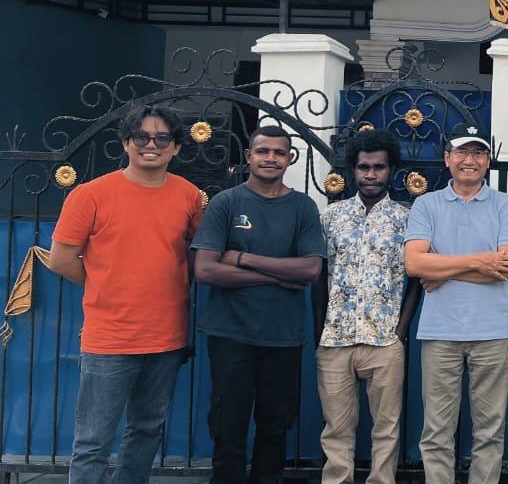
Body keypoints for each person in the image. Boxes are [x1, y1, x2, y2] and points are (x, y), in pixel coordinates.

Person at [48, 105, 204, 484]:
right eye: (142, 137)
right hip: (110, 339)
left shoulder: (189, 196)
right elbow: (61, 259)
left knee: (147, 430)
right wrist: (108, 282)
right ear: (125, 143)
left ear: (176, 147)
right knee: (93, 441)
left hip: (166, 338)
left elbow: (197, 253)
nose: (151, 145)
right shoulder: (90, 195)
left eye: (162, 138)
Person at [191, 125, 326, 484]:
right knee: (228, 425)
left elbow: (310, 270)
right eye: (263, 151)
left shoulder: (303, 207)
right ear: (249, 156)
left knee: (275, 426)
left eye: (279, 152)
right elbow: (205, 270)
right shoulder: (226, 202)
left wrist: (243, 259)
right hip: (230, 334)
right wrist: (279, 277)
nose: (271, 158)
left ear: (290, 158)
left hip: (282, 336)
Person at [404, 124, 508, 484]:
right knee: (436, 431)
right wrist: (479, 261)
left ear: (488, 160)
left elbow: (507, 268)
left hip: (492, 331)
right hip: (440, 331)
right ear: (447, 158)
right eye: (462, 152)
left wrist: (442, 269)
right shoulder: (426, 204)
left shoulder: (505, 205)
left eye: (478, 152)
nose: (469, 160)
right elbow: (415, 264)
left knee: (489, 430)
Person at [312, 128, 422, 484]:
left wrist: (400, 332)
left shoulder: (407, 219)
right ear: (352, 170)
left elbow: (417, 281)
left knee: (386, 428)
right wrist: (320, 331)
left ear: (391, 170)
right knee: (336, 429)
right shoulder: (331, 217)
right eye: (364, 167)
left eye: (379, 167)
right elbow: (319, 276)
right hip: (335, 339)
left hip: (385, 340)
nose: (371, 174)